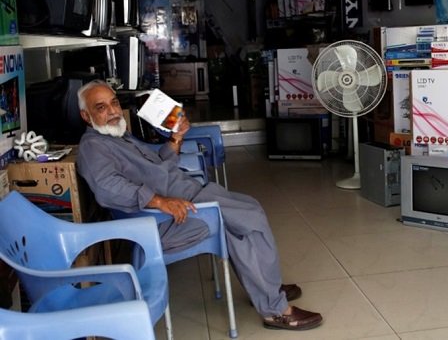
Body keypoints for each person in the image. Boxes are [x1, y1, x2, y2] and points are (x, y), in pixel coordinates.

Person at [75, 79, 323, 331]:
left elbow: (159, 167)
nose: (113, 111)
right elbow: (107, 188)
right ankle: (275, 309)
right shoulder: (93, 147)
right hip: (165, 221)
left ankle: (267, 285)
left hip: (188, 197)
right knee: (242, 221)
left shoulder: (119, 137)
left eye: (114, 103)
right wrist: (159, 201)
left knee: (250, 206)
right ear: (87, 115)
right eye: (101, 107)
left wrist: (176, 139)